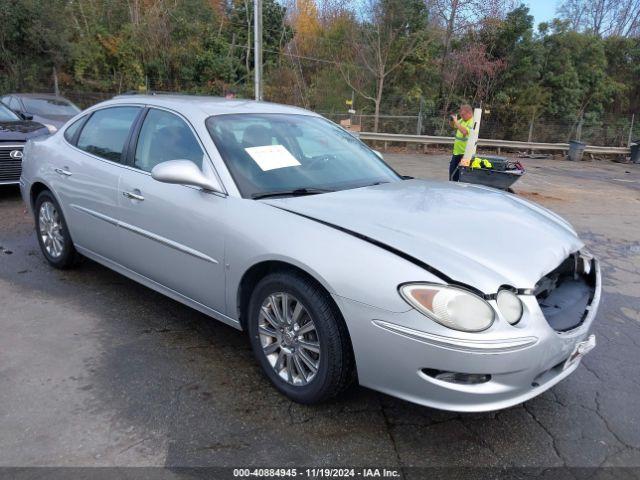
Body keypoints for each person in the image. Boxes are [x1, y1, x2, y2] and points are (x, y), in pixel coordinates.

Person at [448, 104, 474, 181]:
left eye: (463, 115)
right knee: (452, 175)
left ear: (469, 113)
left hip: (465, 154)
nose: (461, 116)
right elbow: (454, 125)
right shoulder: (462, 120)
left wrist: (456, 121)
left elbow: (464, 132)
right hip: (456, 152)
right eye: (460, 115)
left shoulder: (472, 122)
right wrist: (451, 120)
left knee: (462, 176)